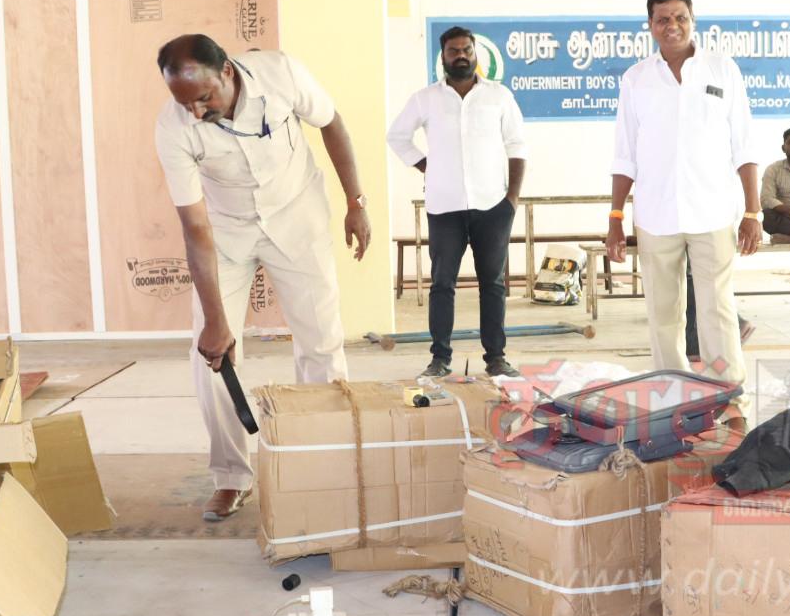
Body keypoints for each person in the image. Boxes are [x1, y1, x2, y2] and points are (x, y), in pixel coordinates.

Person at [155, 34, 371, 521]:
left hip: (298, 217)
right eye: (185, 104)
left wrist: (355, 202)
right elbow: (195, 228)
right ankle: (232, 477)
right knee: (210, 356)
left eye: (204, 97)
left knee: (321, 342)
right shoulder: (173, 127)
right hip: (227, 232)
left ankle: (324, 466)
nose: (196, 112)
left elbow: (332, 123)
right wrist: (216, 322)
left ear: (227, 72)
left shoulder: (282, 74)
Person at [607, 0, 759, 387]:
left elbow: (744, 146)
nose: (672, 25)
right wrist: (615, 217)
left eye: (680, 17)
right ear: (650, 25)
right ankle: (673, 394)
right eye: (662, 19)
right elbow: (624, 155)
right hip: (655, 216)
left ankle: (728, 394)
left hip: (713, 213)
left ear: (693, 20)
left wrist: (753, 211)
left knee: (717, 311)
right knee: (663, 314)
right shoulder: (636, 79)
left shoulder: (722, 69)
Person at [388, 25, 527, 378]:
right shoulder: (425, 99)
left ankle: (495, 358)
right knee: (442, 285)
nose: (461, 56)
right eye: (454, 51)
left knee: (492, 284)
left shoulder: (498, 96)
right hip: (444, 207)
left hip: (492, 206)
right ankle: (440, 359)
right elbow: (397, 136)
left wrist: (512, 198)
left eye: (467, 50)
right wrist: (428, 167)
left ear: (476, 53)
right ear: (443, 56)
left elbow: (517, 145)